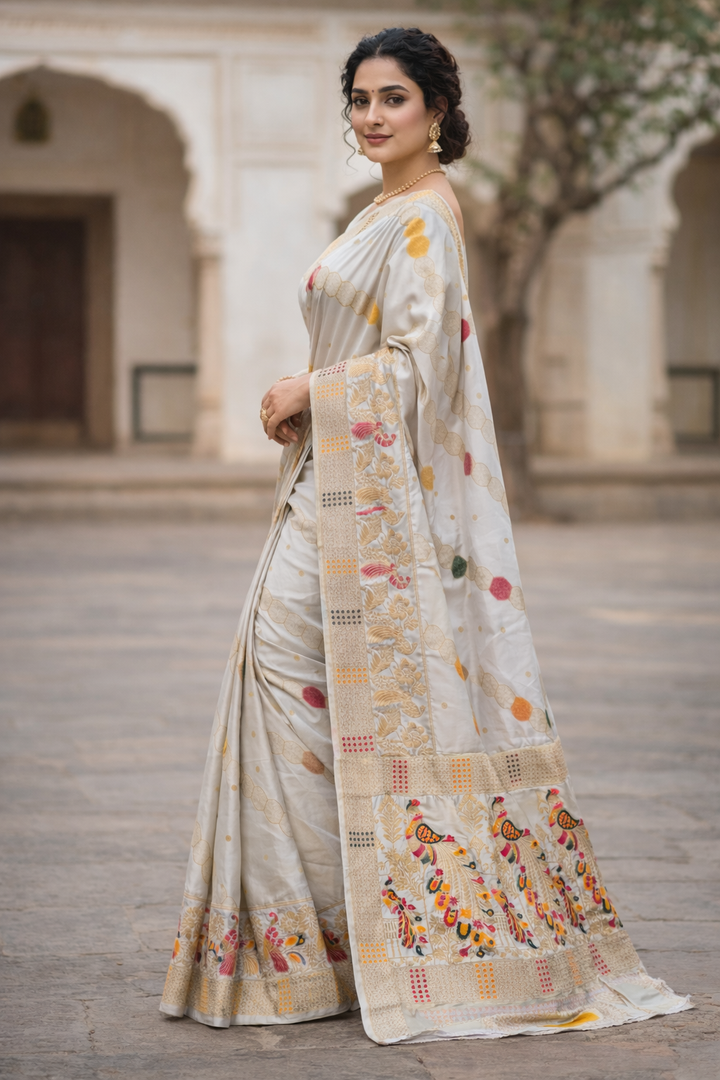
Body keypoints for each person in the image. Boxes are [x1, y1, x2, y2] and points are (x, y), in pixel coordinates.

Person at [161, 26, 689, 1043]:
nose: (371, 116)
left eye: (393, 98)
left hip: (351, 504)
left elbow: (417, 372)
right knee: (291, 697)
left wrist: (307, 389)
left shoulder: (425, 220)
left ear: (438, 110)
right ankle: (329, 942)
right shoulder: (389, 210)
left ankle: (340, 942)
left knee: (284, 682)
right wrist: (309, 399)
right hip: (328, 492)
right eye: (358, 98)